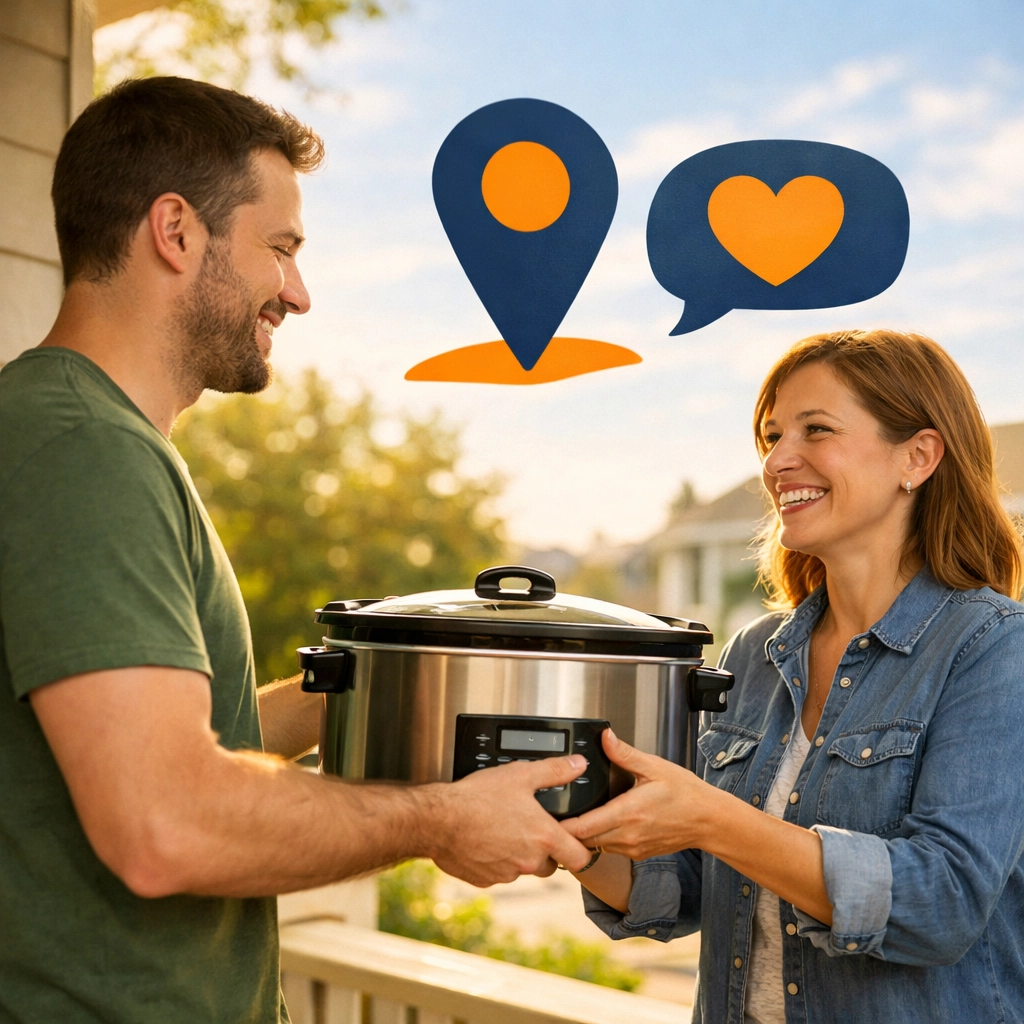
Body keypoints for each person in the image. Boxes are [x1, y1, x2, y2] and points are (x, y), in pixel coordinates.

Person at [0, 77, 591, 1024]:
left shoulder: (80, 435)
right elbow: (167, 822)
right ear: (176, 231)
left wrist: (386, 682)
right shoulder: (85, 450)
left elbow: (184, 737)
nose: (299, 293)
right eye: (280, 250)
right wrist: (438, 821)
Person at [562, 330, 1024, 1023]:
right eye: (772, 436)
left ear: (918, 456)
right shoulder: (753, 653)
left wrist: (715, 820)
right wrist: (572, 835)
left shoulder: (994, 649)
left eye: (816, 430)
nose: (778, 461)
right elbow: (687, 891)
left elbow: (943, 902)